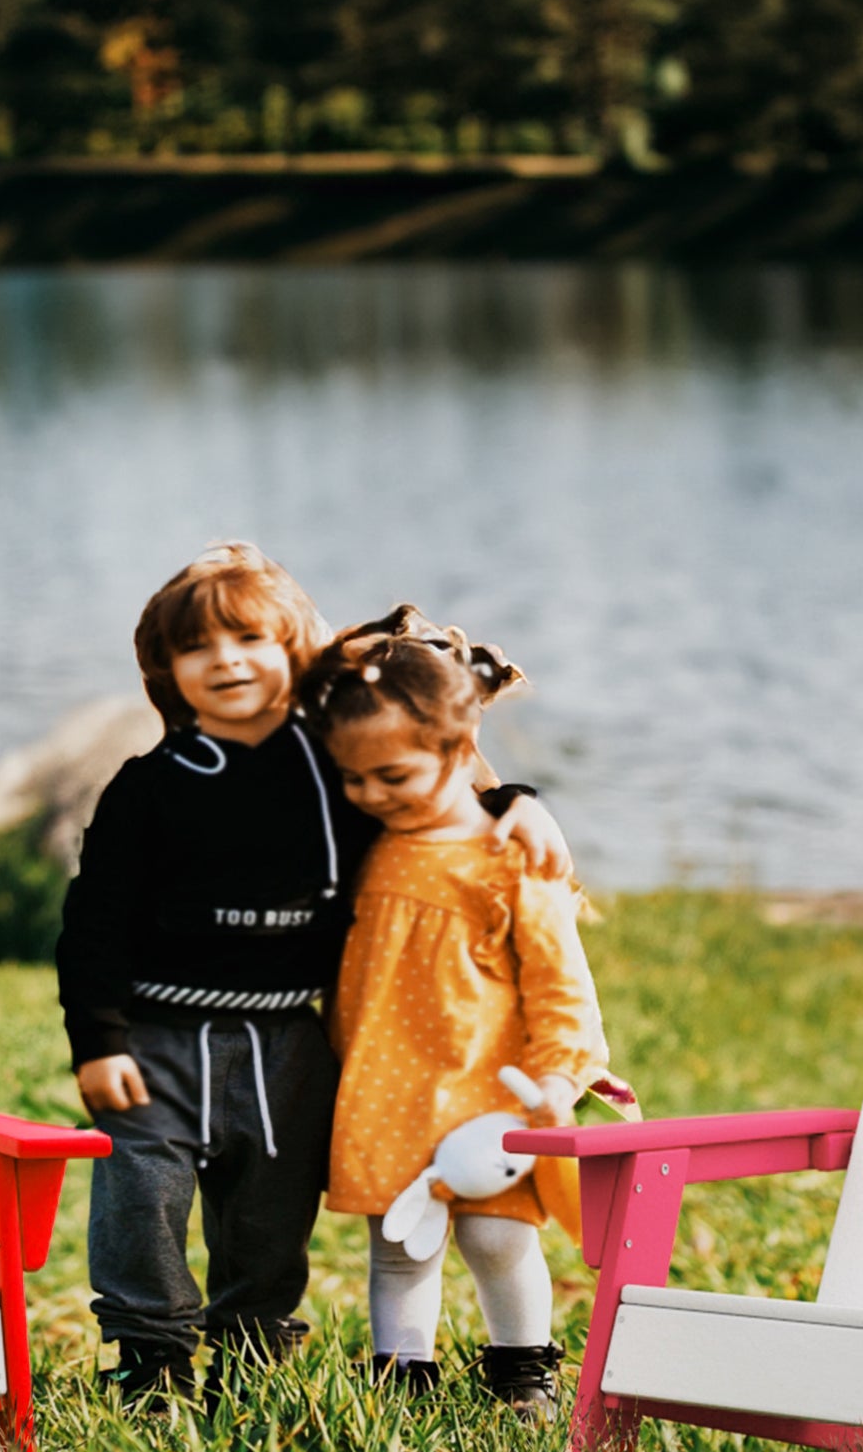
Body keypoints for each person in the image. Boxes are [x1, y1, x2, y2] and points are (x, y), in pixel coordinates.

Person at [58, 545, 571, 1405]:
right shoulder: (148, 788)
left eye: (251, 638)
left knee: (268, 1210)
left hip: (290, 1034)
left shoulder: (333, 767)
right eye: (198, 648)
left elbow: (425, 789)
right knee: (139, 1198)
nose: (225, 660)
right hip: (161, 1036)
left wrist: (513, 798)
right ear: (164, 670)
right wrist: (98, 1037)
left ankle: (254, 1352)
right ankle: (150, 1359)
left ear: (296, 649)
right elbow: (95, 920)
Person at [300, 607, 621, 1419]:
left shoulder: (512, 858)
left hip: (489, 1095)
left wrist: (559, 1074)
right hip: (388, 1087)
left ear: (456, 752)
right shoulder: (365, 845)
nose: (372, 794)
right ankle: (400, 1383)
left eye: (394, 777)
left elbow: (559, 983)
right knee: (401, 1246)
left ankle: (522, 1369)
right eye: (355, 778)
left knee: (496, 1238)